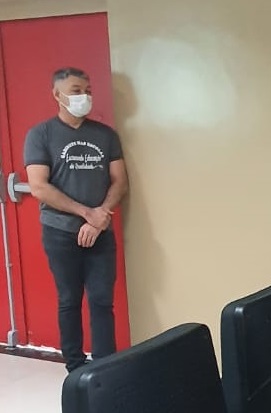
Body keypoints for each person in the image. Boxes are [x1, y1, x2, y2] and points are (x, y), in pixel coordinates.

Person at [24, 67, 128, 372]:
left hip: (100, 232)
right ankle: (75, 367)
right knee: (69, 300)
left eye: (88, 90)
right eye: (76, 91)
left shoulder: (106, 135)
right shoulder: (40, 134)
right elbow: (39, 187)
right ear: (57, 95)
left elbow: (120, 181)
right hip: (60, 233)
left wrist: (99, 218)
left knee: (102, 300)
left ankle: (105, 369)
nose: (84, 96)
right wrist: (87, 213)